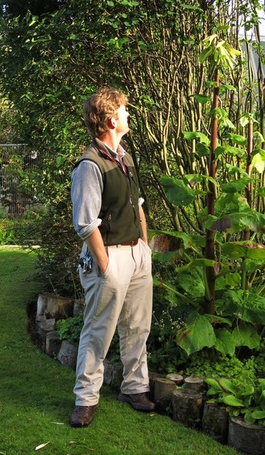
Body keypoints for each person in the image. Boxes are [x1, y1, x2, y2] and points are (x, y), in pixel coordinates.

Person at [70, 87, 154, 428]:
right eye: (124, 110)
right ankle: (85, 398)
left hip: (136, 255)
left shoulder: (125, 157)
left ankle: (134, 387)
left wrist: (144, 247)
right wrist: (105, 265)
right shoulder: (90, 165)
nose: (128, 115)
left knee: (137, 327)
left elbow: (138, 206)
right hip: (109, 258)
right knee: (98, 330)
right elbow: (85, 223)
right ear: (110, 120)